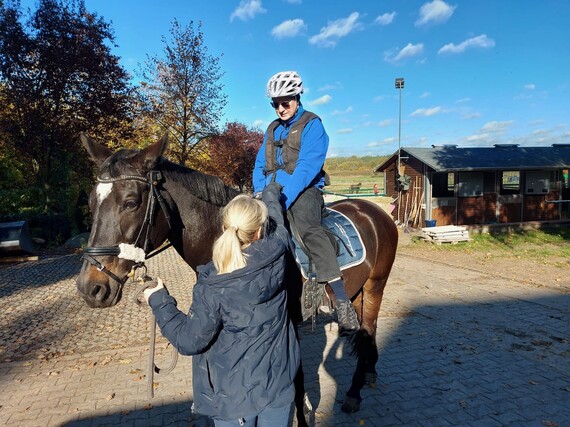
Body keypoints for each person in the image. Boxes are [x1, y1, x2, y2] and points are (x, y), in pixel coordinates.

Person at [143, 183, 300, 427]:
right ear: (259, 231)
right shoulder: (279, 251)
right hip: (279, 385)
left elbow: (189, 340)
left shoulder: (212, 287)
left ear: (224, 227)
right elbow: (278, 221)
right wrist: (271, 193)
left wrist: (159, 299)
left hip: (234, 399)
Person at [252, 70, 359, 336]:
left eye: (285, 102)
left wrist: (282, 197)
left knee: (308, 229)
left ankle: (342, 301)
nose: (280, 108)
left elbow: (306, 168)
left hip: (303, 191)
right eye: (275, 103)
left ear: (297, 98)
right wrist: (258, 192)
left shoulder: (313, 125)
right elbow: (258, 165)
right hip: (269, 191)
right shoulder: (272, 129)